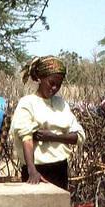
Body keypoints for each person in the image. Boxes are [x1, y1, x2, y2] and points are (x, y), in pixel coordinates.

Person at [10, 56, 85, 189]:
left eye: (59, 84)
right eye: (51, 83)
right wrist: (32, 171)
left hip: (60, 168)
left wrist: (52, 137)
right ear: (40, 78)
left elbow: (78, 136)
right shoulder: (27, 103)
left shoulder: (61, 104)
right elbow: (26, 138)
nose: (55, 88)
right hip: (37, 170)